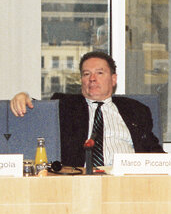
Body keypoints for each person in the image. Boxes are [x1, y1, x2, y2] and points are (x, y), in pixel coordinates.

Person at [11, 51, 163, 167]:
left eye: (99, 73)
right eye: (86, 74)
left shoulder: (136, 110)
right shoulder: (65, 106)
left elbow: (153, 151)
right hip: (79, 180)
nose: (92, 78)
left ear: (113, 79)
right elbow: (39, 110)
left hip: (126, 179)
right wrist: (23, 96)